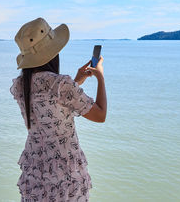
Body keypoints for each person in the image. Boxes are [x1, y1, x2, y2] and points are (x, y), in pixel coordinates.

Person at [10, 17, 107, 201]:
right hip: (64, 173)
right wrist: (100, 77)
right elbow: (100, 114)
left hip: (36, 169)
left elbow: (49, 110)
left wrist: (77, 81)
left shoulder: (21, 85)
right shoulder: (61, 85)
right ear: (53, 52)